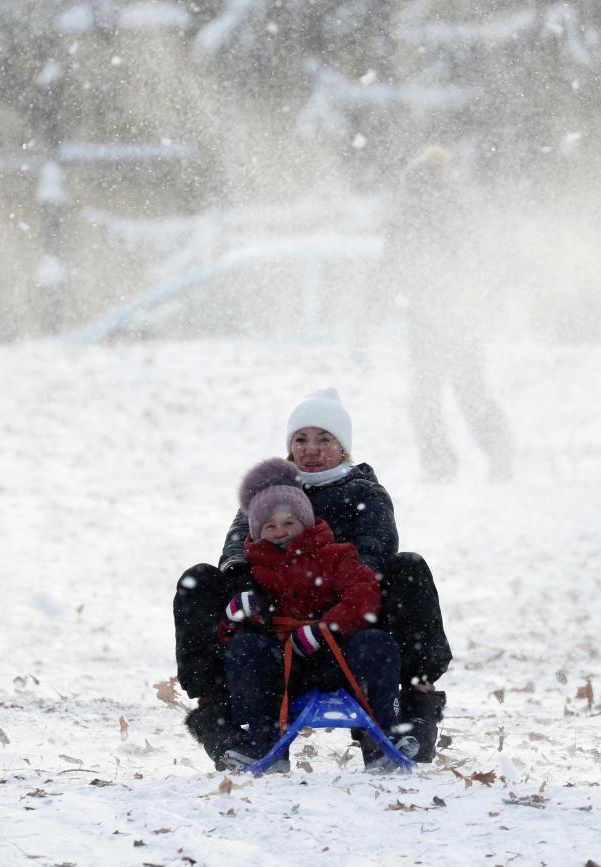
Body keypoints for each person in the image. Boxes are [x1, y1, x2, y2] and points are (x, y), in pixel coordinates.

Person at [174, 387, 451, 770]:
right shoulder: (268, 494)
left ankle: (413, 709)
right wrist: (246, 586)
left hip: (354, 631)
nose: (311, 449)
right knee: (200, 581)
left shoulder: (364, 493)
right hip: (277, 634)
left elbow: (376, 549)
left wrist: (327, 591)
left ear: (343, 447)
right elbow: (238, 543)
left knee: (409, 569)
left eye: (324, 439)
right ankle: (221, 717)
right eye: (301, 439)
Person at [214, 457, 417, 772]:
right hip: (285, 665)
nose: (280, 532)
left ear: (305, 521)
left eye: (288, 523)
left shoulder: (335, 556)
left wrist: (328, 628)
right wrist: (233, 620)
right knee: (245, 652)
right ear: (257, 531)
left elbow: (362, 595)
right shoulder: (253, 570)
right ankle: (263, 740)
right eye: (270, 526)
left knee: (378, 644)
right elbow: (232, 634)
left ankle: (386, 735)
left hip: (339, 657)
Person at [380, 145, 514, 482]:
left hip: (429, 318)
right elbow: (486, 263)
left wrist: (372, 310)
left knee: (425, 397)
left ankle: (440, 464)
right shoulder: (462, 209)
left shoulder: (410, 214)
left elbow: (391, 267)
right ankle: (500, 453)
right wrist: (485, 309)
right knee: (470, 390)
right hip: (461, 317)